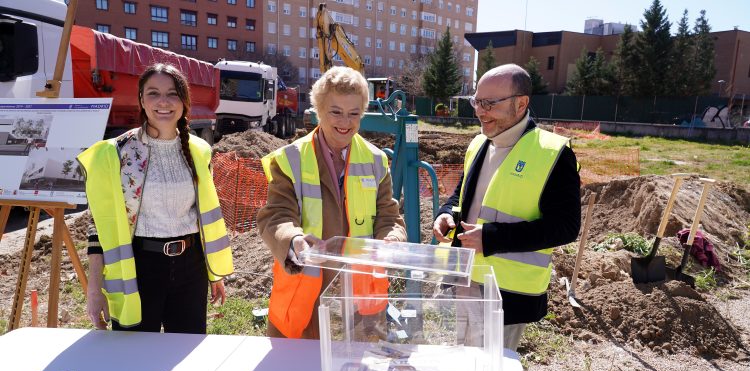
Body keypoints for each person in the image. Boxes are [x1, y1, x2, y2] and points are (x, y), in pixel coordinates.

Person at [433, 64, 581, 351]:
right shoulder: (479, 144)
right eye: (477, 101)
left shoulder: (553, 154)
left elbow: (565, 227)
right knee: (461, 366)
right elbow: (460, 197)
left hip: (507, 294)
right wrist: (445, 214)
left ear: (521, 103)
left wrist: (491, 238)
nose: (480, 110)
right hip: (465, 280)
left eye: (489, 103)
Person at [77, 63, 233, 333]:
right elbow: (98, 227)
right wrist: (94, 290)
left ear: (184, 102)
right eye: (153, 93)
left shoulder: (200, 151)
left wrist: (213, 273)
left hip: (190, 269)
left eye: (172, 94)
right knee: (135, 361)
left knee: (185, 358)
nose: (163, 102)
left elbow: (204, 217)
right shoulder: (115, 154)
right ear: (141, 100)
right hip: (138, 270)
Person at [257, 66, 407, 339]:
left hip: (360, 301)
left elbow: (389, 217)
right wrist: (293, 240)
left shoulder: (375, 161)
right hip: (305, 295)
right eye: (335, 112)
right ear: (318, 110)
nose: (345, 122)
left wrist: (392, 240)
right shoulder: (290, 159)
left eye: (354, 114)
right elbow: (276, 216)